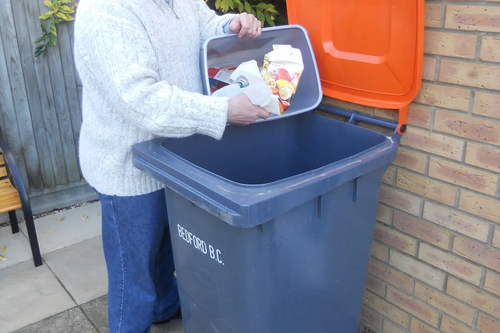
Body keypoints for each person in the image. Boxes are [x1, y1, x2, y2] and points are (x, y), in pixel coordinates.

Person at [73, 0, 269, 332]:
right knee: (132, 277)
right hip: (129, 169)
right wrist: (221, 113)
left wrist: (231, 25)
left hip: (176, 159)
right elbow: (142, 99)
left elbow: (204, 25)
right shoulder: (106, 10)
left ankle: (164, 307)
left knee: (166, 245)